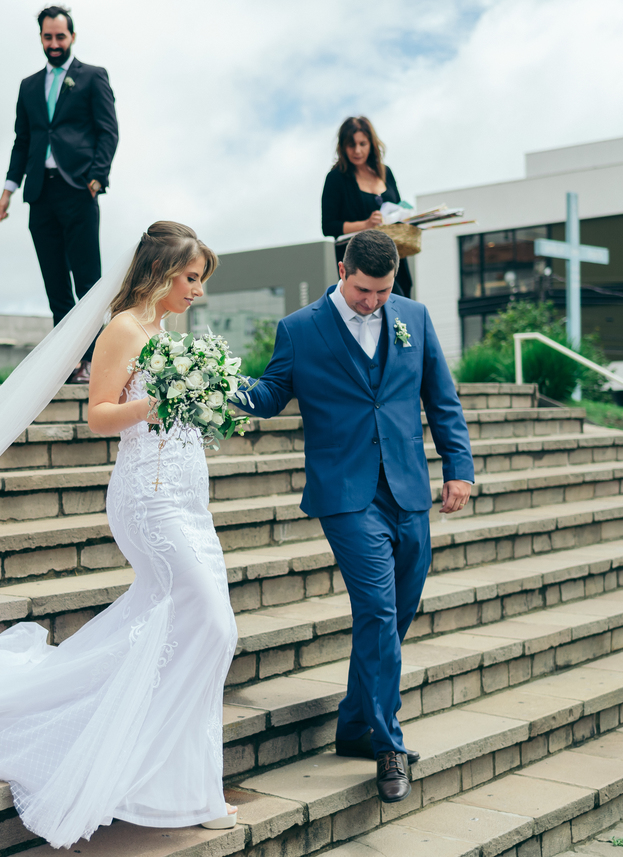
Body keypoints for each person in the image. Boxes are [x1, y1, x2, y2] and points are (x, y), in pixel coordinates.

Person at [0, 221, 239, 847]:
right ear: (165, 273)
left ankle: (188, 788)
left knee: (197, 632)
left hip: (188, 498)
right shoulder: (122, 329)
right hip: (149, 501)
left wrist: (201, 397)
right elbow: (98, 416)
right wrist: (160, 403)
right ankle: (136, 767)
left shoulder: (166, 331)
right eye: (192, 278)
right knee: (213, 626)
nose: (198, 291)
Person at [235, 230, 473, 804]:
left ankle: (352, 725)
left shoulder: (411, 315)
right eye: (364, 290)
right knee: (377, 609)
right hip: (346, 493)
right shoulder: (299, 328)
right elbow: (270, 394)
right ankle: (388, 745)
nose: (372, 302)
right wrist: (210, 381)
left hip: (410, 489)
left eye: (383, 291)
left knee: (396, 615)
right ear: (342, 270)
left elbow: (441, 398)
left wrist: (458, 467)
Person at [0, 5, 119, 384]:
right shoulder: (28, 86)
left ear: (72, 37)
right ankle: (71, 362)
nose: (54, 43)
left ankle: (98, 361)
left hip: (78, 189)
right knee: (55, 284)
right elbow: (22, 140)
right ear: (41, 38)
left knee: (88, 282)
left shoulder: (93, 77)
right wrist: (7, 191)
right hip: (40, 193)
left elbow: (108, 132)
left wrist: (96, 179)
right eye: (47, 37)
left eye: (60, 37)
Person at [321, 116, 414, 299]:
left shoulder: (385, 172)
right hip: (362, 264)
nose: (357, 150)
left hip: (395, 258)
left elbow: (398, 207)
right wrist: (366, 224)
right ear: (342, 147)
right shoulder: (336, 178)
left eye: (362, 144)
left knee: (403, 304)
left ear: (371, 143)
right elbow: (328, 226)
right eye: (351, 145)